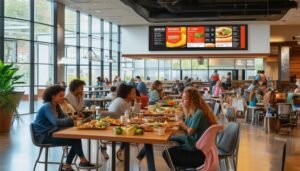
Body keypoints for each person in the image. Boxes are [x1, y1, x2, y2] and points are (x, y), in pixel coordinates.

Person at [32, 85, 94, 171]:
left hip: (51, 133)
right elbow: (56, 122)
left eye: (63, 95)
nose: (63, 98)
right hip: (43, 136)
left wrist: (79, 120)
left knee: (76, 139)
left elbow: (65, 118)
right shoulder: (47, 106)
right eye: (60, 96)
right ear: (53, 96)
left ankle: (68, 165)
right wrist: (71, 119)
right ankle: (79, 162)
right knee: (75, 140)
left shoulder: (56, 106)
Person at [162, 87, 218, 169]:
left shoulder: (199, 113)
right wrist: (182, 117)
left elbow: (190, 132)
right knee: (172, 140)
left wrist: (181, 123)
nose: (182, 101)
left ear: (192, 101)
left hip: (198, 153)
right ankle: (179, 168)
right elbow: (185, 129)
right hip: (195, 147)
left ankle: (181, 168)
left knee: (166, 153)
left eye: (184, 99)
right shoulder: (193, 112)